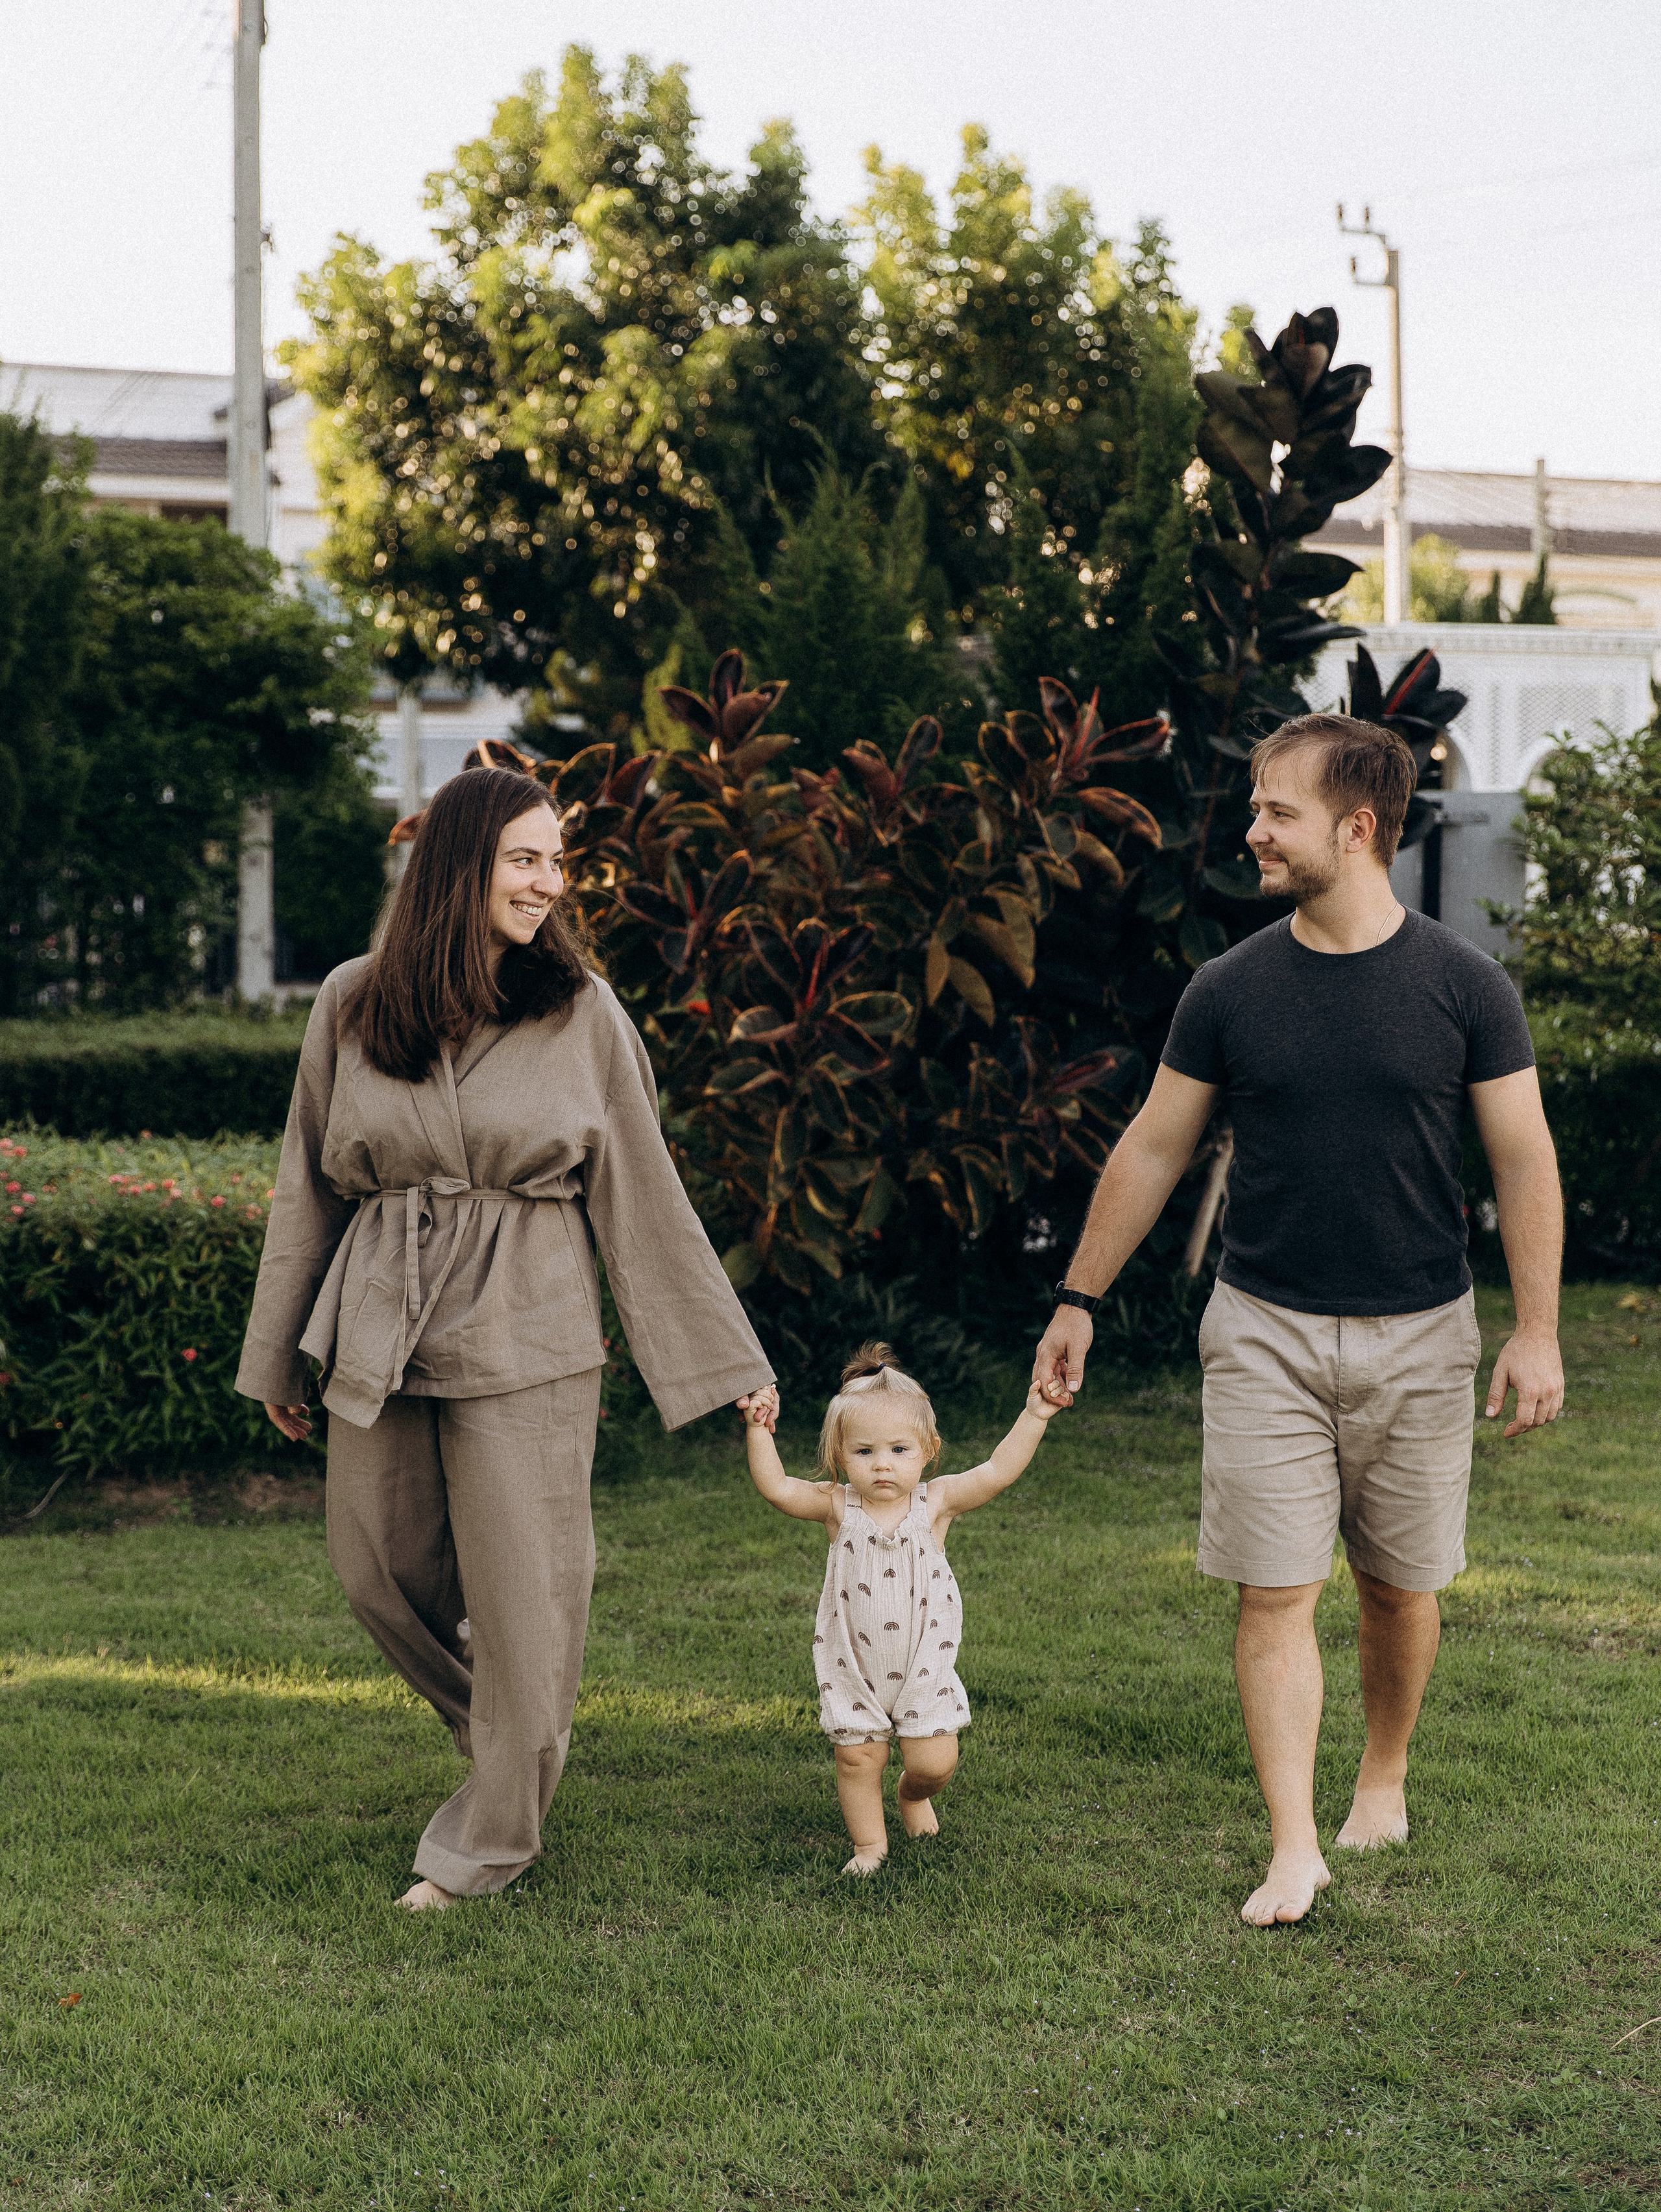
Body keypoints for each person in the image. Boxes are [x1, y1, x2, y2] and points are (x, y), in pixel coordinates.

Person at [1032, 715, 1563, 1929]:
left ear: (1357, 828)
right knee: (1274, 1592)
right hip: (1263, 1326)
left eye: (1277, 812)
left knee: (1397, 1584)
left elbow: (1524, 1161)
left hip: (1423, 1332)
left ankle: (1382, 1776)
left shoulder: (1465, 988)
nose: (1254, 832)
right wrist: (1077, 1299)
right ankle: (1291, 1844)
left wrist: (1537, 1330)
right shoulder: (1230, 990)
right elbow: (1155, 1147)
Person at [236, 766, 778, 1911]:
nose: (550, 883)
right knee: (377, 1568)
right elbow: (308, 1187)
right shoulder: (350, 1000)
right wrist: (281, 1348)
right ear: (457, 866)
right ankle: (521, 1724)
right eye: (524, 859)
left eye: (557, 861)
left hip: (528, 1324)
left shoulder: (580, 1010)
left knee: (526, 1598)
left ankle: (487, 1842)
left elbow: (642, 1192)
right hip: (381, 1314)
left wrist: (723, 1364)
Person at [743, 1341, 1068, 1873]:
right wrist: (759, 1430)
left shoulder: (935, 1504)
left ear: (928, 1450)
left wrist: (1035, 1415)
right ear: (840, 1457)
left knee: (934, 1761)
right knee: (856, 1757)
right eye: (864, 1453)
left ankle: (913, 1796)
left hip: (923, 1663)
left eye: (899, 1451)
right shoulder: (837, 1506)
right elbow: (777, 1488)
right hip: (855, 1664)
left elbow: (997, 1471)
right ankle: (869, 1846)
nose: (883, 1466)